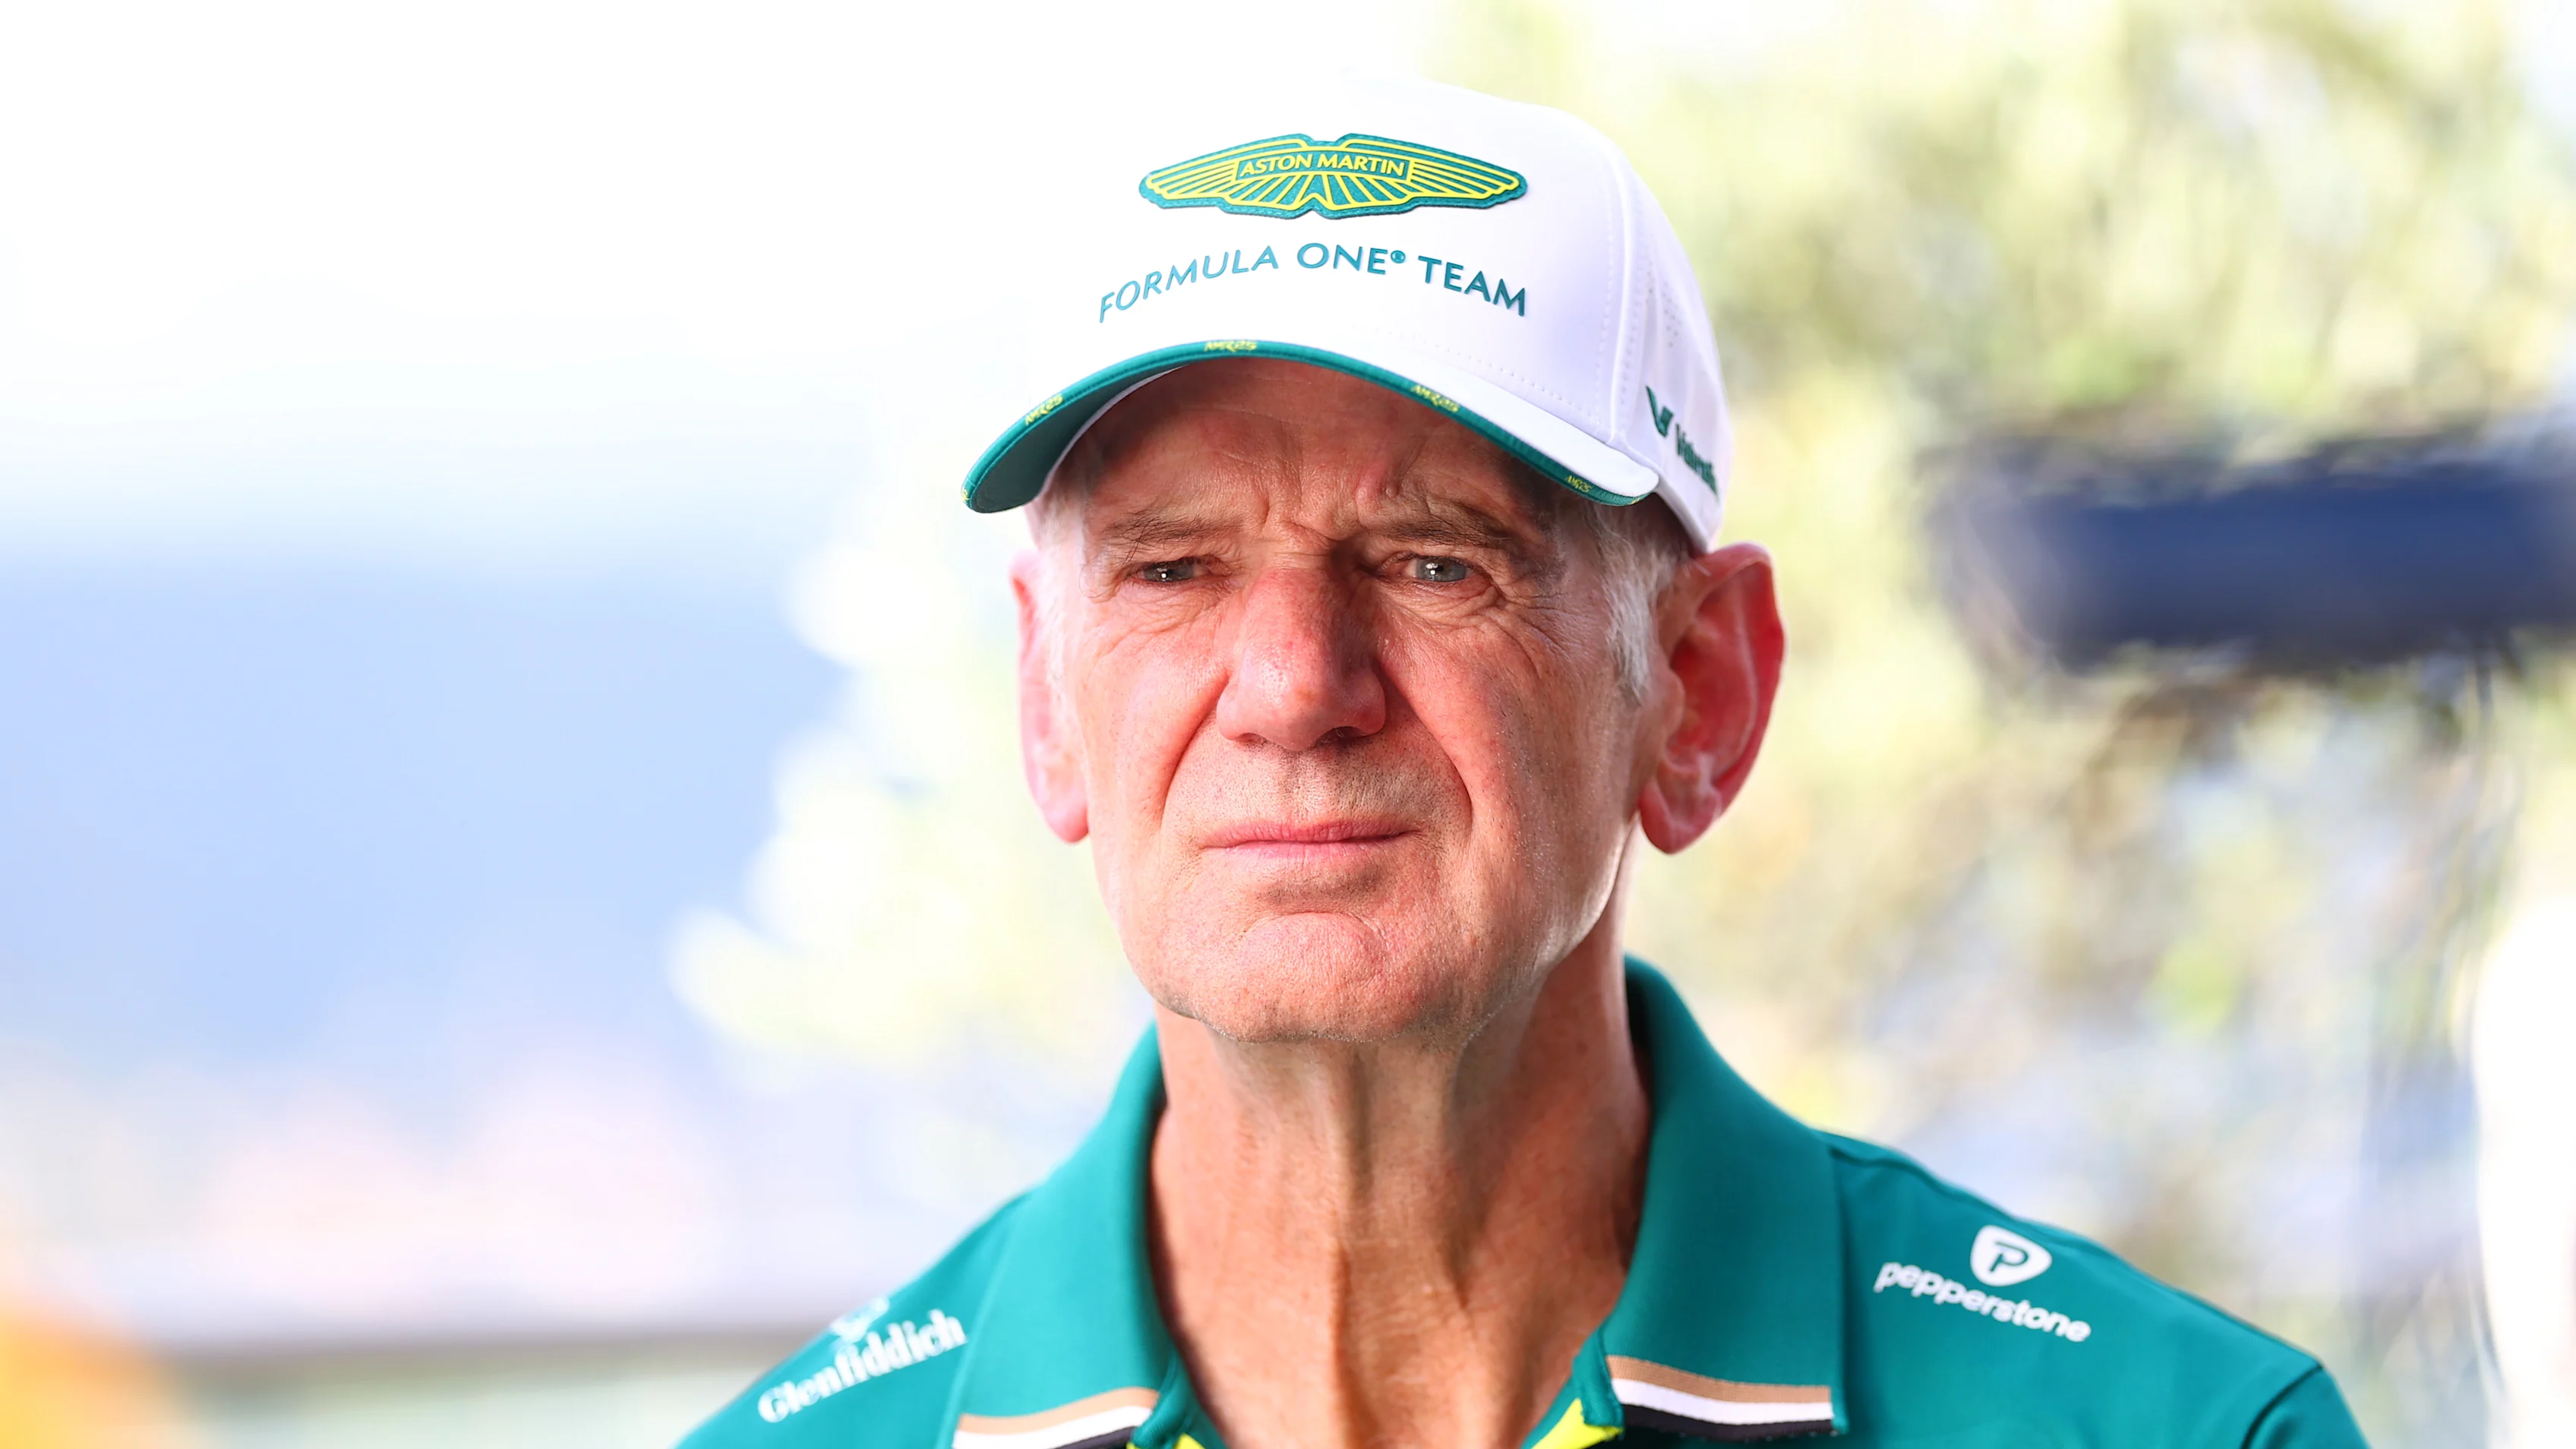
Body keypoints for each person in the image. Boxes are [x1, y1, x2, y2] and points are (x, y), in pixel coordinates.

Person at [679, 77, 2366, 1449]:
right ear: (1048, 704)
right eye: (1174, 571)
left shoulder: (2173, 1430)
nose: (1291, 685)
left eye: (1434, 561)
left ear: (1695, 693)